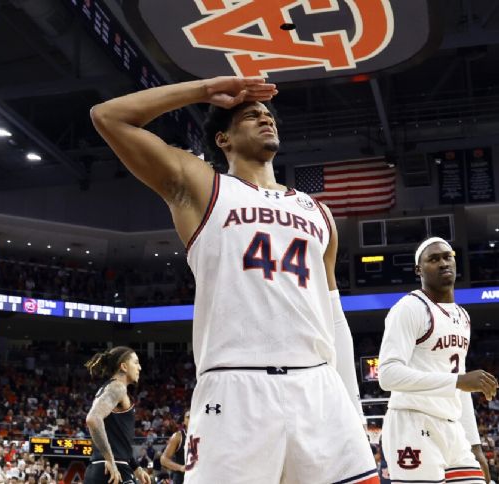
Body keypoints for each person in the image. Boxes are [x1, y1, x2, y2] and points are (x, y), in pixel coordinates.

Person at [91, 77, 377, 483]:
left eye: (268, 114)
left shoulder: (319, 212)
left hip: (318, 386)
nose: (265, 117)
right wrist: (205, 91)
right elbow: (109, 117)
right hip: (234, 385)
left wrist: (351, 407)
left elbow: (334, 319)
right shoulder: (204, 186)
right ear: (223, 139)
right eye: (250, 115)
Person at [378, 237, 498, 483]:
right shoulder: (409, 308)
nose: (443, 263)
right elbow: (387, 374)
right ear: (418, 270)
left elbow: (461, 389)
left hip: (451, 427)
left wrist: (474, 444)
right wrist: (457, 380)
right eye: (433, 259)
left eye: (447, 256)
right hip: (412, 423)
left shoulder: (462, 316)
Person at [83, 346, 151, 484]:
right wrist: (110, 460)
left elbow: (117, 439)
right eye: (136, 362)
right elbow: (93, 419)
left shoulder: (109, 388)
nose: (140, 368)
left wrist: (135, 467)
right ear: (124, 367)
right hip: (111, 471)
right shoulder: (117, 387)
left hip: (101, 468)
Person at [159, 413, 188, 484]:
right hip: (181, 478)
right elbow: (163, 459)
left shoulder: (204, 436)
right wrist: (180, 467)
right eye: (188, 417)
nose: (191, 418)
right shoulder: (178, 436)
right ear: (183, 421)